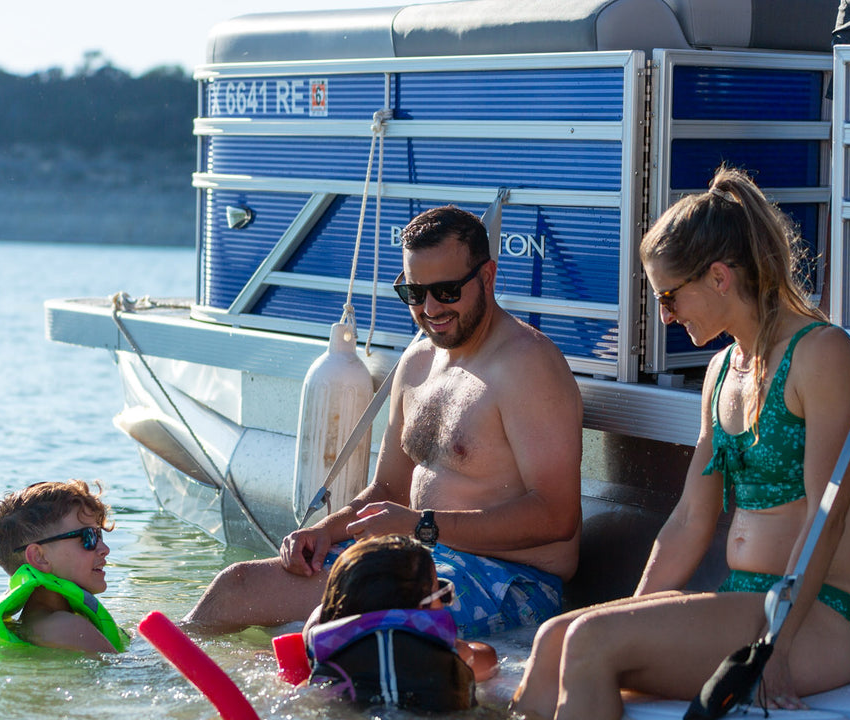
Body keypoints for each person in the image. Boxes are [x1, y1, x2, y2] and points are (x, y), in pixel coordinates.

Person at [512, 167, 850, 720]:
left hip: (821, 616)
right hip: (742, 600)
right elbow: (688, 520)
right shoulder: (720, 371)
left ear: (719, 277)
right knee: (556, 637)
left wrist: (776, 641)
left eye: (669, 296)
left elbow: (827, 511)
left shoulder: (821, 353)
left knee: (588, 643)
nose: (664, 315)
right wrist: (631, 613)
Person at [186, 204, 583, 640]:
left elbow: (556, 516)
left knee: (343, 619)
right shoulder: (416, 364)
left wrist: (421, 526)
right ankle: (158, 673)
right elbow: (389, 491)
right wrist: (324, 529)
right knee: (238, 586)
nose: (430, 308)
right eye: (414, 293)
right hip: (417, 553)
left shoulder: (528, 365)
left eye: (447, 291)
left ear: (486, 277)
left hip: (511, 578)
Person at [309, 534, 498, 682]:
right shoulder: (443, 656)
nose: (444, 601)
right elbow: (489, 660)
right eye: (441, 593)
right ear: (422, 608)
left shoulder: (327, 653)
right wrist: (462, 647)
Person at [0, 479, 128, 655]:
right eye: (88, 537)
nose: (104, 549)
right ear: (39, 557)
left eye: (99, 534)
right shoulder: (68, 628)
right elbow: (132, 679)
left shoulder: (39, 624)